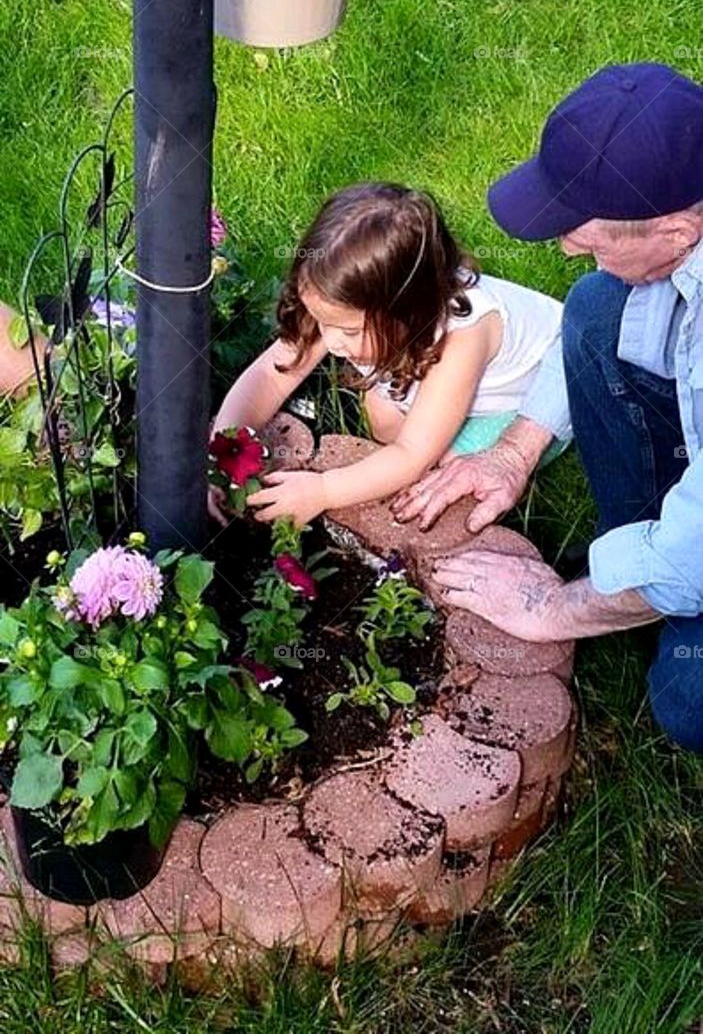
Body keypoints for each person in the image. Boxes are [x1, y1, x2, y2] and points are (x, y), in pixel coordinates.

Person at [393, 62, 703, 753]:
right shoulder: (685, 212)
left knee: (689, 699)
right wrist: (512, 451)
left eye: (581, 232)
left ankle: (644, 590)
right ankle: (636, 575)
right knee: (597, 308)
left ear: (676, 232)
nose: (562, 246)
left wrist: (550, 608)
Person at [209, 181, 565, 529]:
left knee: (442, 478)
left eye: (349, 332)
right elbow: (272, 374)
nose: (330, 343)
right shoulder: (337, 298)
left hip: (528, 399)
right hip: (450, 375)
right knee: (382, 416)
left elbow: (412, 453)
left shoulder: (465, 336)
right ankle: (424, 437)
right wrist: (221, 450)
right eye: (320, 322)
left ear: (411, 312)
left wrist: (325, 490)